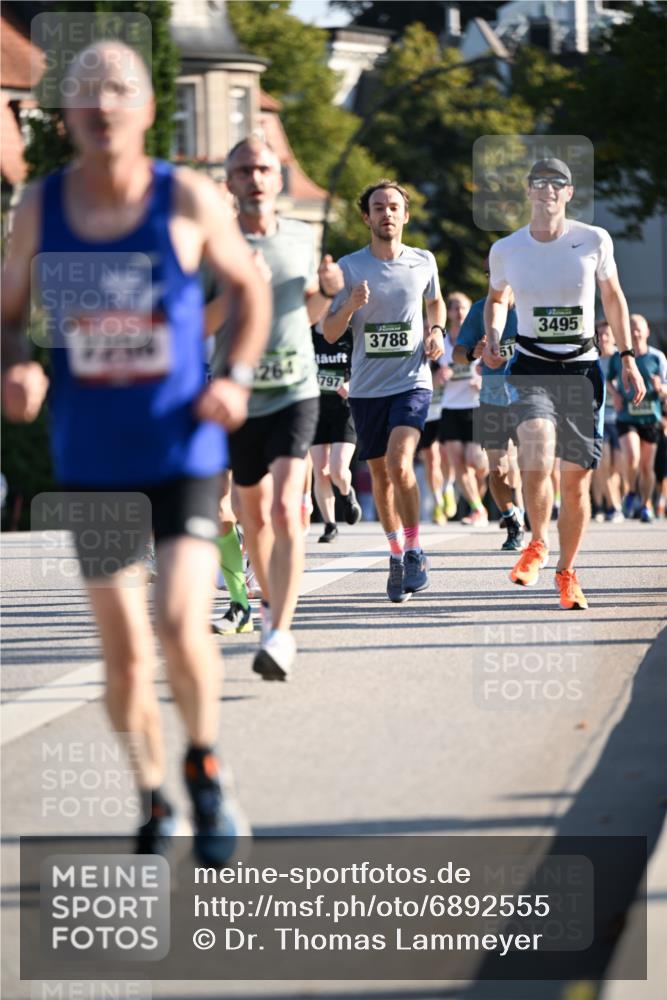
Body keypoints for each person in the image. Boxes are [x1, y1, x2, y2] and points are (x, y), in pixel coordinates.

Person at [0, 42, 271, 861]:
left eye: (119, 89)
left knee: (182, 620)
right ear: (65, 115)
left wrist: (237, 377)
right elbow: (8, 310)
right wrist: (15, 361)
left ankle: (206, 768)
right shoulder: (42, 209)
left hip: (180, 447)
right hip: (92, 458)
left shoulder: (184, 197)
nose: (102, 104)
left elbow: (249, 290)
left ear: (147, 108)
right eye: (84, 92)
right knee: (122, 658)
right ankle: (154, 796)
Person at [484, 157, 644, 610]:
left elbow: (612, 296)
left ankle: (567, 572)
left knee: (575, 482)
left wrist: (628, 356)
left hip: (582, 368)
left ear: (569, 193)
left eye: (558, 184)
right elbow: (497, 299)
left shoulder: (593, 240)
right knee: (535, 442)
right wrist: (495, 333)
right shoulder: (508, 249)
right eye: (540, 183)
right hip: (532, 363)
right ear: (529, 191)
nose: (548, 191)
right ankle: (537, 541)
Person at [214, 136, 343, 680]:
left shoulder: (302, 236)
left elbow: (310, 310)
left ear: (278, 177)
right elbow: (194, 324)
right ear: (231, 182)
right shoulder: (211, 244)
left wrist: (330, 293)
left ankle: (279, 631)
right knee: (253, 514)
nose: (256, 178)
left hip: (295, 388)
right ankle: (268, 608)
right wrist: (240, 293)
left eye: (264, 168)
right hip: (239, 395)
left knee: (290, 507)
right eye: (244, 170)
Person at [323, 179, 445, 603]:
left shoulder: (423, 261)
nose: (387, 213)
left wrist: (437, 330)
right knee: (379, 475)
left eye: (394, 206)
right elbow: (329, 329)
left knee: (400, 462)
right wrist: (352, 304)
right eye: (379, 207)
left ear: (405, 215)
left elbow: (436, 302)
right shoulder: (350, 267)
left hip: (412, 380)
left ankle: (415, 551)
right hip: (366, 388)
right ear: (366, 217)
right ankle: (395, 554)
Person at [453, 284, 525, 550]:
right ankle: (512, 517)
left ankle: (529, 520)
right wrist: (474, 353)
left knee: (529, 464)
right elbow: (457, 354)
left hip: (528, 398)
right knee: (497, 468)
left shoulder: (530, 302)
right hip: (492, 399)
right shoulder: (479, 310)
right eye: (492, 273)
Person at [607, 314, 667, 523]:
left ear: (647, 331)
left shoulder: (657, 357)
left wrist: (661, 389)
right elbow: (607, 379)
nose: (634, 332)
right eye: (630, 328)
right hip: (626, 416)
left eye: (638, 328)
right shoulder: (619, 357)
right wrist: (614, 394)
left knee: (647, 466)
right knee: (632, 457)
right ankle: (632, 491)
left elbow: (666, 388)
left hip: (651, 417)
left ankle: (646, 505)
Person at [438, 292, 490, 526]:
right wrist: (437, 376)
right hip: (450, 407)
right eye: (455, 308)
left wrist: (482, 382)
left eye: (463, 308)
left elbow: (492, 367)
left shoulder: (479, 339)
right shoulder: (442, 342)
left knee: (475, 461)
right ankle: (478, 509)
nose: (459, 312)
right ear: (448, 312)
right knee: (458, 462)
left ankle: (481, 494)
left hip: (475, 406)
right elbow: (427, 375)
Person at [310, 321, 362, 542]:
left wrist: (352, 383)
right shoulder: (307, 333)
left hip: (344, 409)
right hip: (315, 409)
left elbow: (365, 363)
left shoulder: (350, 332)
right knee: (320, 470)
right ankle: (330, 524)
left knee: (338, 469)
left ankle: (346, 492)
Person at [591, 319, 625, 522]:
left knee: (617, 468)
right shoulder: (592, 359)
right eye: (600, 334)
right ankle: (610, 506)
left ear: (614, 337)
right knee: (602, 464)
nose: (603, 338)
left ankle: (616, 503)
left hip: (620, 419)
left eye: (607, 334)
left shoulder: (622, 359)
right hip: (600, 417)